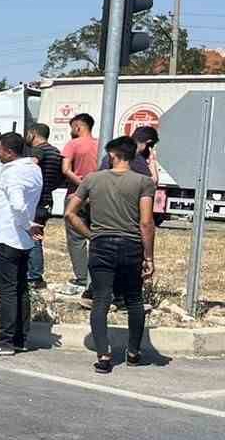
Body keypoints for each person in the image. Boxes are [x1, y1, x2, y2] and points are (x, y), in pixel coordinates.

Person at [65, 136, 155, 374]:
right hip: (131, 246)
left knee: (102, 299)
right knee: (134, 300)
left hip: (101, 245)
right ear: (132, 156)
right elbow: (146, 222)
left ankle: (104, 355)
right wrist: (149, 257)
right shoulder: (144, 182)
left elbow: (70, 213)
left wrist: (91, 234)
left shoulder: (92, 180)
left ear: (113, 156)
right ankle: (134, 352)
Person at [0, 132, 43, 356]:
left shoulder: (13, 172)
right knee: (20, 289)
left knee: (7, 291)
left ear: (10, 152)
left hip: (8, 236)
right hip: (21, 240)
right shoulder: (34, 169)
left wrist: (27, 225)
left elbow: (18, 204)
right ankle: (20, 338)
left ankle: (5, 340)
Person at [57, 112, 98, 298]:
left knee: (76, 238)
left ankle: (82, 278)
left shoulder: (72, 144)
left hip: (76, 196)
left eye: (72, 127)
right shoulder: (101, 144)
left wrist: (82, 185)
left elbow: (65, 169)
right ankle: (97, 276)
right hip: (98, 197)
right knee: (98, 236)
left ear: (78, 127)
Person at [24, 123, 64, 290]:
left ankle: (34, 276)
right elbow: (60, 179)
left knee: (32, 238)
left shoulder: (38, 151)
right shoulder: (55, 152)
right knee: (36, 236)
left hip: (36, 201)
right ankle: (34, 275)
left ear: (33, 133)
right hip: (47, 199)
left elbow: (31, 166)